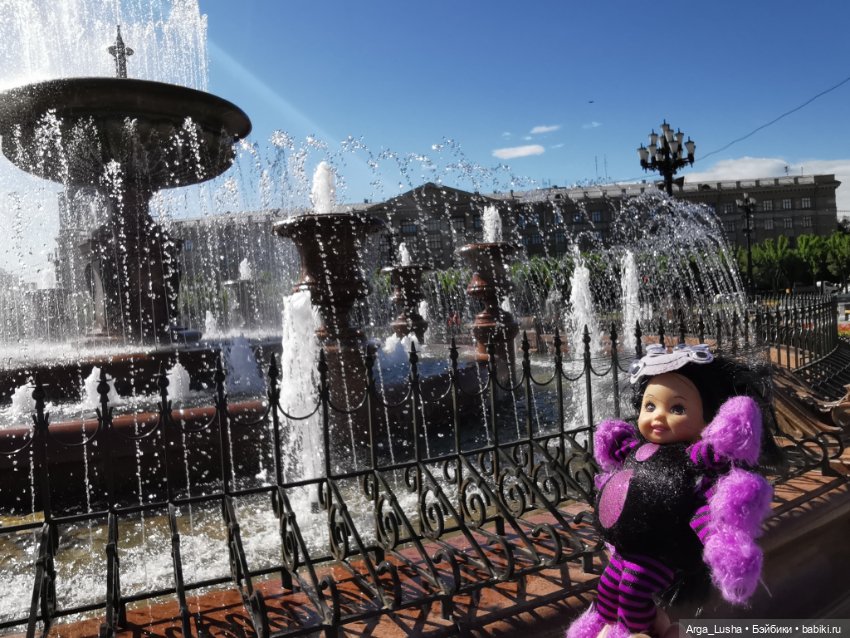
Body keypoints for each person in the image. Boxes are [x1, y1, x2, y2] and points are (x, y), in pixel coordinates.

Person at [567, 344, 776, 638]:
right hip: (627, 548)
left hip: (657, 553)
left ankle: (633, 631)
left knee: (633, 591)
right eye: (649, 406)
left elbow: (704, 514)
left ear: (711, 418)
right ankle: (609, 626)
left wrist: (724, 549)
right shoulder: (637, 451)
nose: (657, 417)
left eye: (677, 408)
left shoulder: (694, 468)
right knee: (607, 591)